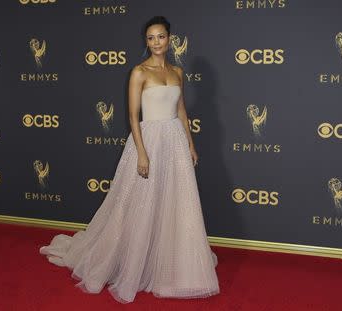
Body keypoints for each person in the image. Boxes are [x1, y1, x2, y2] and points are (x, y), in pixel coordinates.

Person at [39, 15, 220, 304]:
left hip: (174, 141)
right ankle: (131, 261)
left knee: (174, 202)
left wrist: (190, 144)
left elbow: (182, 111)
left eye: (161, 36)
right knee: (139, 205)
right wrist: (142, 152)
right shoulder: (139, 72)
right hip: (148, 141)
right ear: (146, 41)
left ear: (169, 39)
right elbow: (133, 117)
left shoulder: (177, 72)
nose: (156, 42)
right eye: (150, 38)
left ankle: (168, 264)